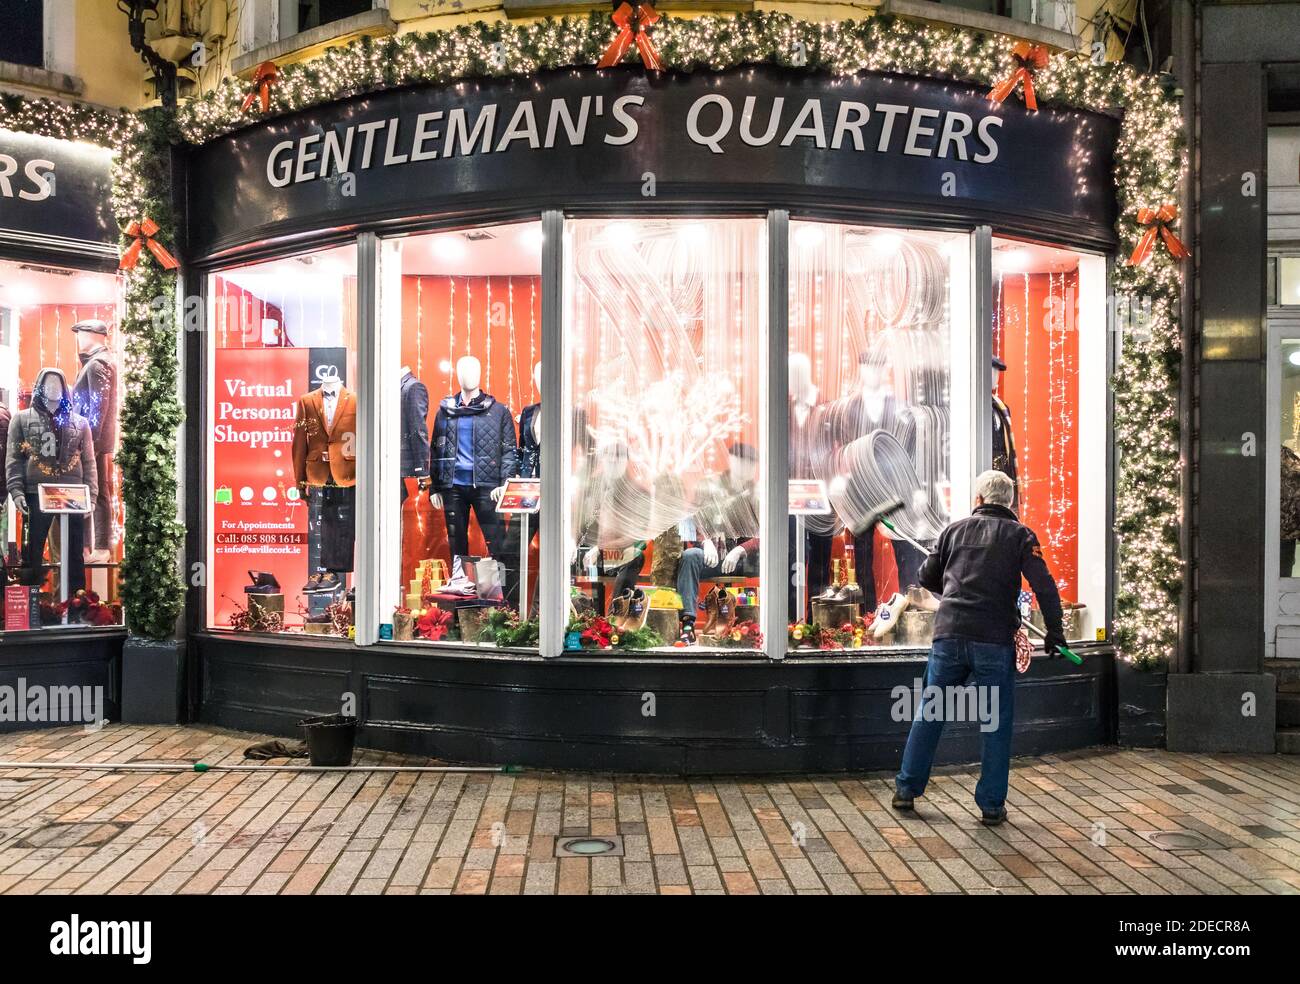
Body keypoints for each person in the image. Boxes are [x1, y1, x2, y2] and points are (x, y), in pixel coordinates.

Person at [892, 469, 1065, 826]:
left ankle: (907, 789)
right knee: (995, 722)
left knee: (930, 712)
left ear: (979, 500)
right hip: (993, 640)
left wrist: (955, 577)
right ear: (1010, 502)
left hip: (950, 635)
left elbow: (925, 578)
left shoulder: (953, 531)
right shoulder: (1021, 535)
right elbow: (1044, 586)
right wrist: (1055, 632)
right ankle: (990, 805)